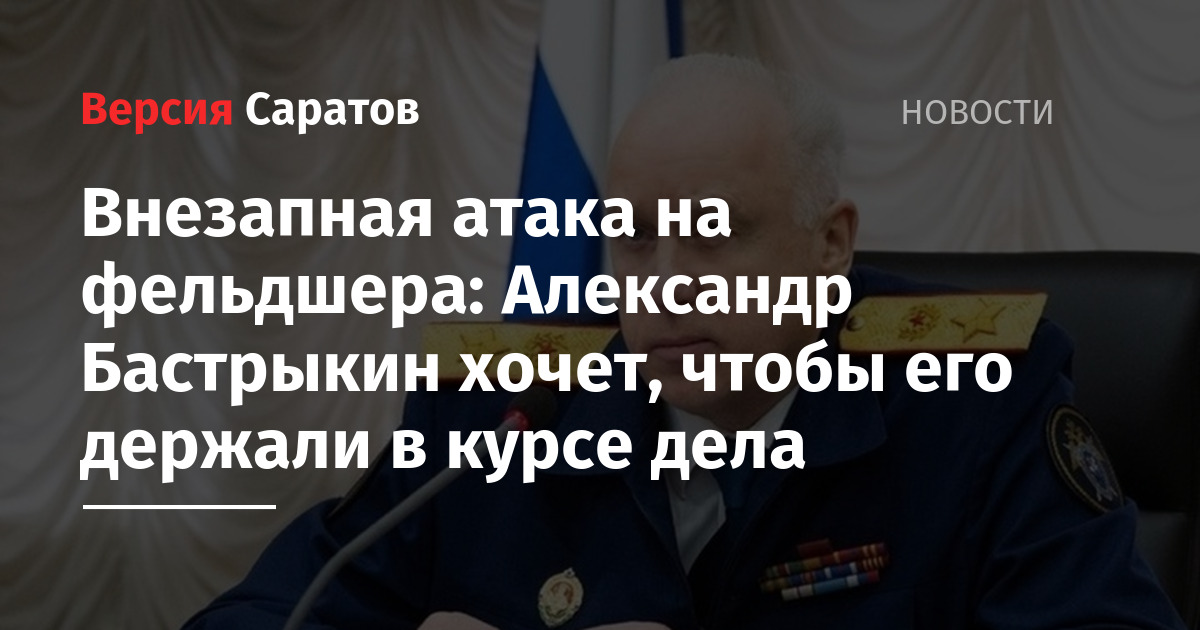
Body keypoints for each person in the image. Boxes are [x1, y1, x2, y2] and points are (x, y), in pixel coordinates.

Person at [183, 55, 1185, 629]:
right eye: (634, 239)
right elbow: (265, 614)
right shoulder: (496, 412)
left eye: (713, 233)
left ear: (830, 243)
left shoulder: (973, 401)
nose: (664, 282)